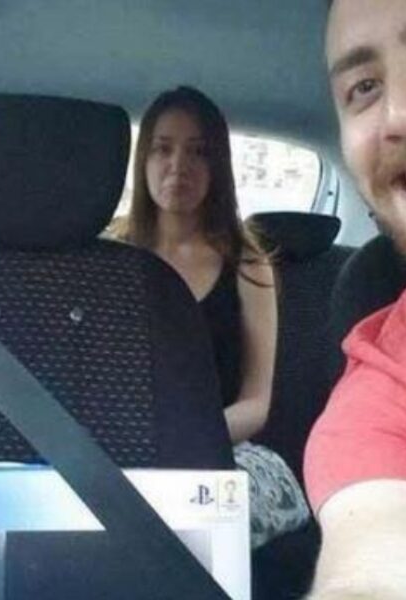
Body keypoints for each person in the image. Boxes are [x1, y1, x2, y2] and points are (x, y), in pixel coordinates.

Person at [121, 85, 310, 547]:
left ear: (219, 167)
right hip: (121, 452)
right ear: (143, 159)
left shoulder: (247, 262)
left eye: (198, 152)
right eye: (163, 148)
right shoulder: (110, 255)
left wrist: (183, 443)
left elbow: (256, 402)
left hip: (217, 450)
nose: (178, 165)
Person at [304, 0, 406, 598]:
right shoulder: (388, 388)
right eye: (364, 87)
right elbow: (374, 571)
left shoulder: (251, 266)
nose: (401, 113)